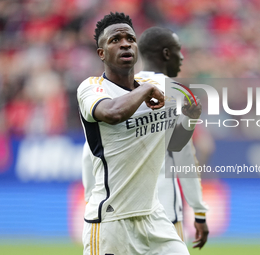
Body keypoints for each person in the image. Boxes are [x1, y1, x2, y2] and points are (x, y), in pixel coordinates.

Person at [77, 12, 201, 255]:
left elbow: (189, 107)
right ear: (101, 53)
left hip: (154, 217)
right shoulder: (91, 88)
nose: (125, 43)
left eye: (130, 38)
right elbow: (112, 113)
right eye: (115, 40)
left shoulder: (159, 87)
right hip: (111, 222)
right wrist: (144, 91)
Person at [136, 26, 209, 250]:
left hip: (122, 214)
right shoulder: (180, 95)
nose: (182, 56)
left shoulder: (115, 90)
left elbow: (94, 152)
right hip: (165, 213)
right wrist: (199, 211)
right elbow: (183, 157)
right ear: (167, 54)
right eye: (178, 50)